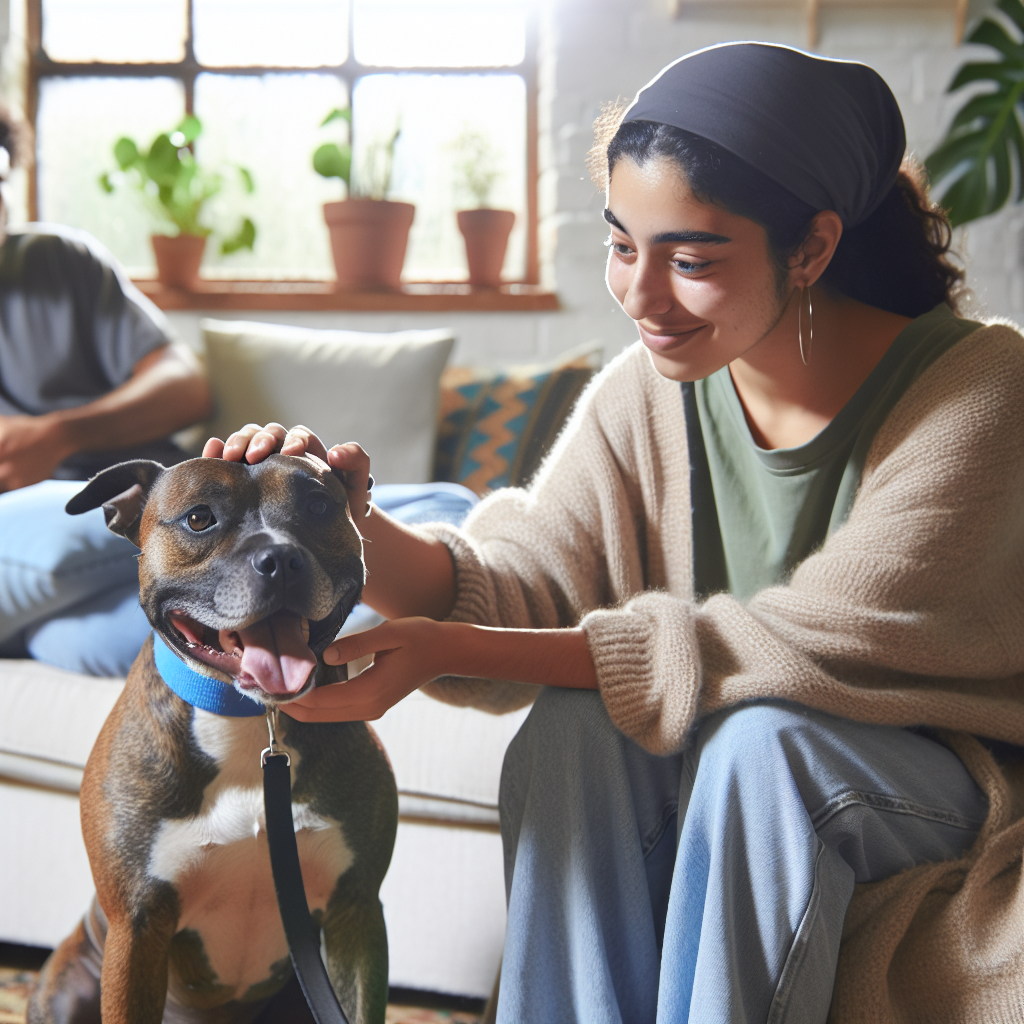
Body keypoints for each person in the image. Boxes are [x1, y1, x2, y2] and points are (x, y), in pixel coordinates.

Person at [211, 43, 1024, 1023]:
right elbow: (526, 587)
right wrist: (342, 519)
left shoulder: (981, 393)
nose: (639, 297)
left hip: (938, 780)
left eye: (689, 260)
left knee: (763, 748)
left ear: (809, 248)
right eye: (621, 245)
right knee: (572, 730)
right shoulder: (651, 392)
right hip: (745, 759)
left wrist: (443, 649)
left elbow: (793, 646)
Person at [0, 107, 212, 674]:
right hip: (30, 541)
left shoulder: (59, 261)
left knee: (92, 639)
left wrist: (59, 435)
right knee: (95, 640)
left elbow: (187, 385)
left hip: (143, 497)